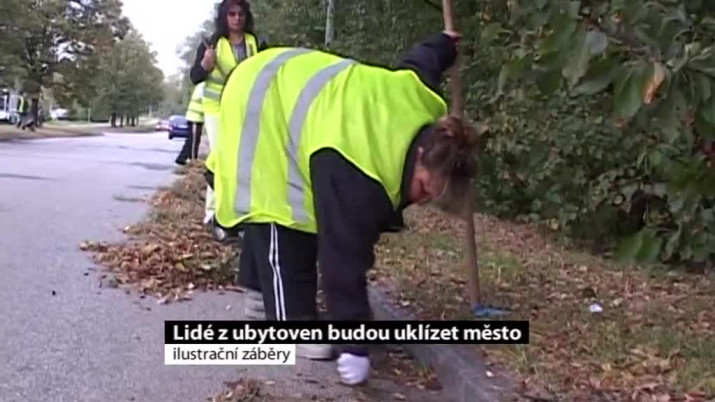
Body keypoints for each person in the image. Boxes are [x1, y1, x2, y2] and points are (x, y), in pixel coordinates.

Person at [207, 30, 477, 385]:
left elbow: (421, 62)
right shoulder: (358, 168)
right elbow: (343, 259)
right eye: (424, 187)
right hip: (260, 97)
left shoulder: (418, 100)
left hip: (287, 79)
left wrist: (443, 44)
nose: (422, 199)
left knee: (298, 211)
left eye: (432, 196)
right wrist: (355, 344)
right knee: (281, 213)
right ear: (421, 154)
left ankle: (259, 296)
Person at [189, 0, 268, 239]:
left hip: (245, 108)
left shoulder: (255, 43)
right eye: (232, 14)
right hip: (216, 107)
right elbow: (195, 77)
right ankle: (213, 214)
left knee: (244, 160)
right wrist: (206, 64)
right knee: (222, 157)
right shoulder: (212, 43)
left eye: (240, 14)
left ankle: (240, 213)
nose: (237, 18)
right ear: (224, 17)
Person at [175, 82, 205, 165]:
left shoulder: (201, 86)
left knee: (193, 139)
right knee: (193, 141)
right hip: (195, 117)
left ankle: (183, 158)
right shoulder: (203, 86)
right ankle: (192, 160)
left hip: (196, 117)